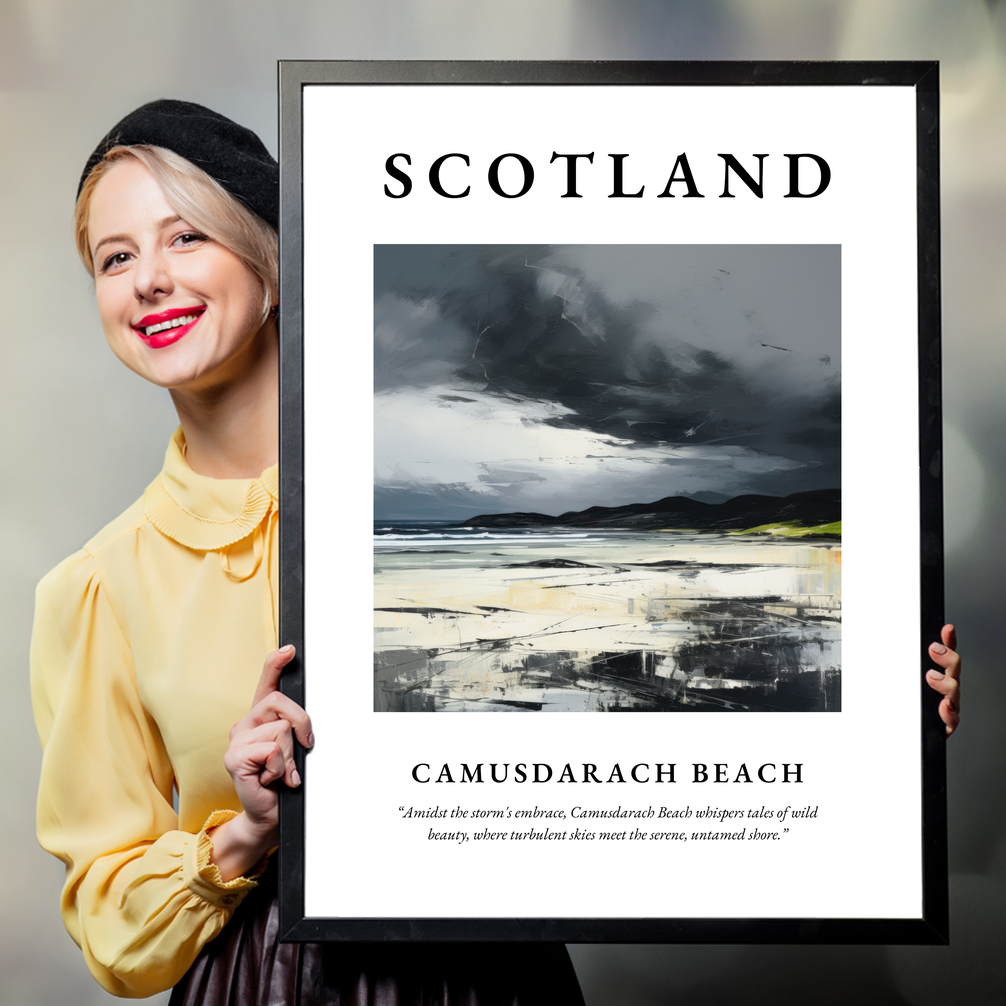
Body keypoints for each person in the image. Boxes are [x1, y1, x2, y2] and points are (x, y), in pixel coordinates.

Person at [30, 100, 585, 1004]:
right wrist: (245, 832)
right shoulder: (97, 587)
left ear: (274, 264)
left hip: (492, 973)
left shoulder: (452, 501)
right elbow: (110, 924)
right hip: (263, 982)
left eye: (186, 239)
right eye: (116, 257)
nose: (148, 281)